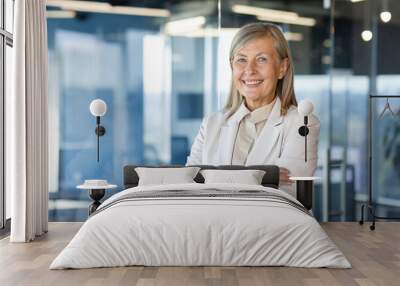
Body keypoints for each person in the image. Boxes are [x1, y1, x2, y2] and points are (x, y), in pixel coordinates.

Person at [186, 22, 320, 197]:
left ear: (282, 68)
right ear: (232, 66)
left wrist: (215, 179)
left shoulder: (303, 123)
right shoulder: (212, 123)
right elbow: (189, 184)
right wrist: (265, 177)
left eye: (261, 59)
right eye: (241, 59)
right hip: (215, 223)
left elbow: (289, 191)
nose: (249, 70)